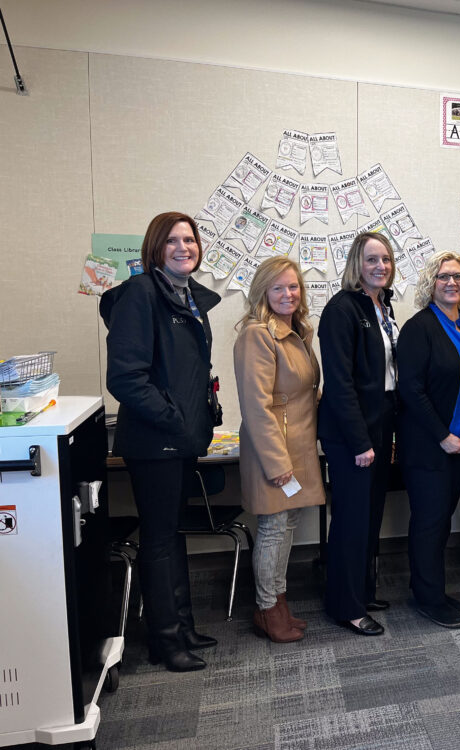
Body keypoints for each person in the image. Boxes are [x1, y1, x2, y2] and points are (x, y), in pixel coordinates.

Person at [101, 211, 220, 672]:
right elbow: (126, 379)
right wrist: (173, 418)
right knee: (159, 539)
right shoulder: (140, 294)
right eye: (172, 241)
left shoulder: (186, 297)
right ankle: (164, 641)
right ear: (155, 248)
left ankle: (182, 627)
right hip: (155, 441)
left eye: (189, 239)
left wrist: (195, 420)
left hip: (181, 439)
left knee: (172, 536)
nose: (183, 247)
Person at [233, 256, 324, 643]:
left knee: (286, 527)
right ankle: (267, 609)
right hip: (276, 446)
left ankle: (279, 603)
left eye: (293, 286)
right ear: (263, 293)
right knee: (272, 530)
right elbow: (256, 405)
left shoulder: (297, 331)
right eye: (278, 287)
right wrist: (275, 462)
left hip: (300, 444)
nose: (288, 294)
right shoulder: (258, 334)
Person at [317, 232, 397, 636]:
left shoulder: (383, 306)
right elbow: (340, 383)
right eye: (371, 260)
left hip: (379, 424)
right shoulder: (341, 309)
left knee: (370, 517)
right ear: (356, 264)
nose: (380, 266)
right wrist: (360, 441)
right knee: (351, 518)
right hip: (352, 431)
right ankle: (345, 605)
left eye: (385, 259)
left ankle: (362, 590)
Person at [397, 251, 460, 629]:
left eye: (458, 277)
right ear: (431, 283)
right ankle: (427, 596)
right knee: (430, 522)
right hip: (429, 446)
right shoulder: (419, 328)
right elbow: (411, 391)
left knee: (442, 521)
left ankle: (432, 588)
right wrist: (443, 436)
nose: (452, 282)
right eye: (443, 276)